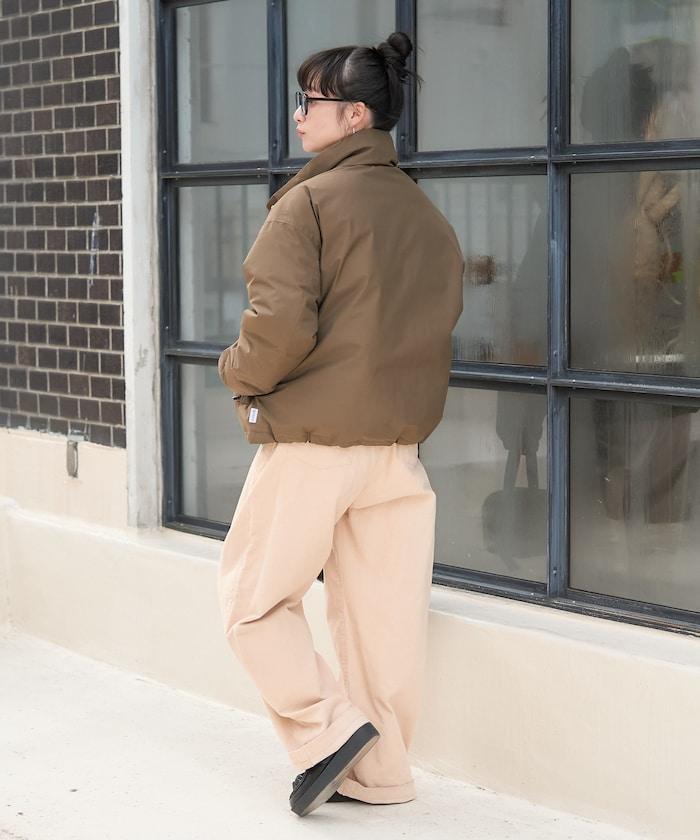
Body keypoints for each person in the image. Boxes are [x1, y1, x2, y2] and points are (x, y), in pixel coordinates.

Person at [216, 31, 464, 817]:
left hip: (315, 444)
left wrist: (235, 372)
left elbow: (277, 329)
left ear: (354, 115)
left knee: (253, 602)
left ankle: (328, 735)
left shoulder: (308, 204)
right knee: (382, 621)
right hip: (398, 452)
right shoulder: (427, 215)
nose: (297, 115)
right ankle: (381, 775)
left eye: (310, 102)